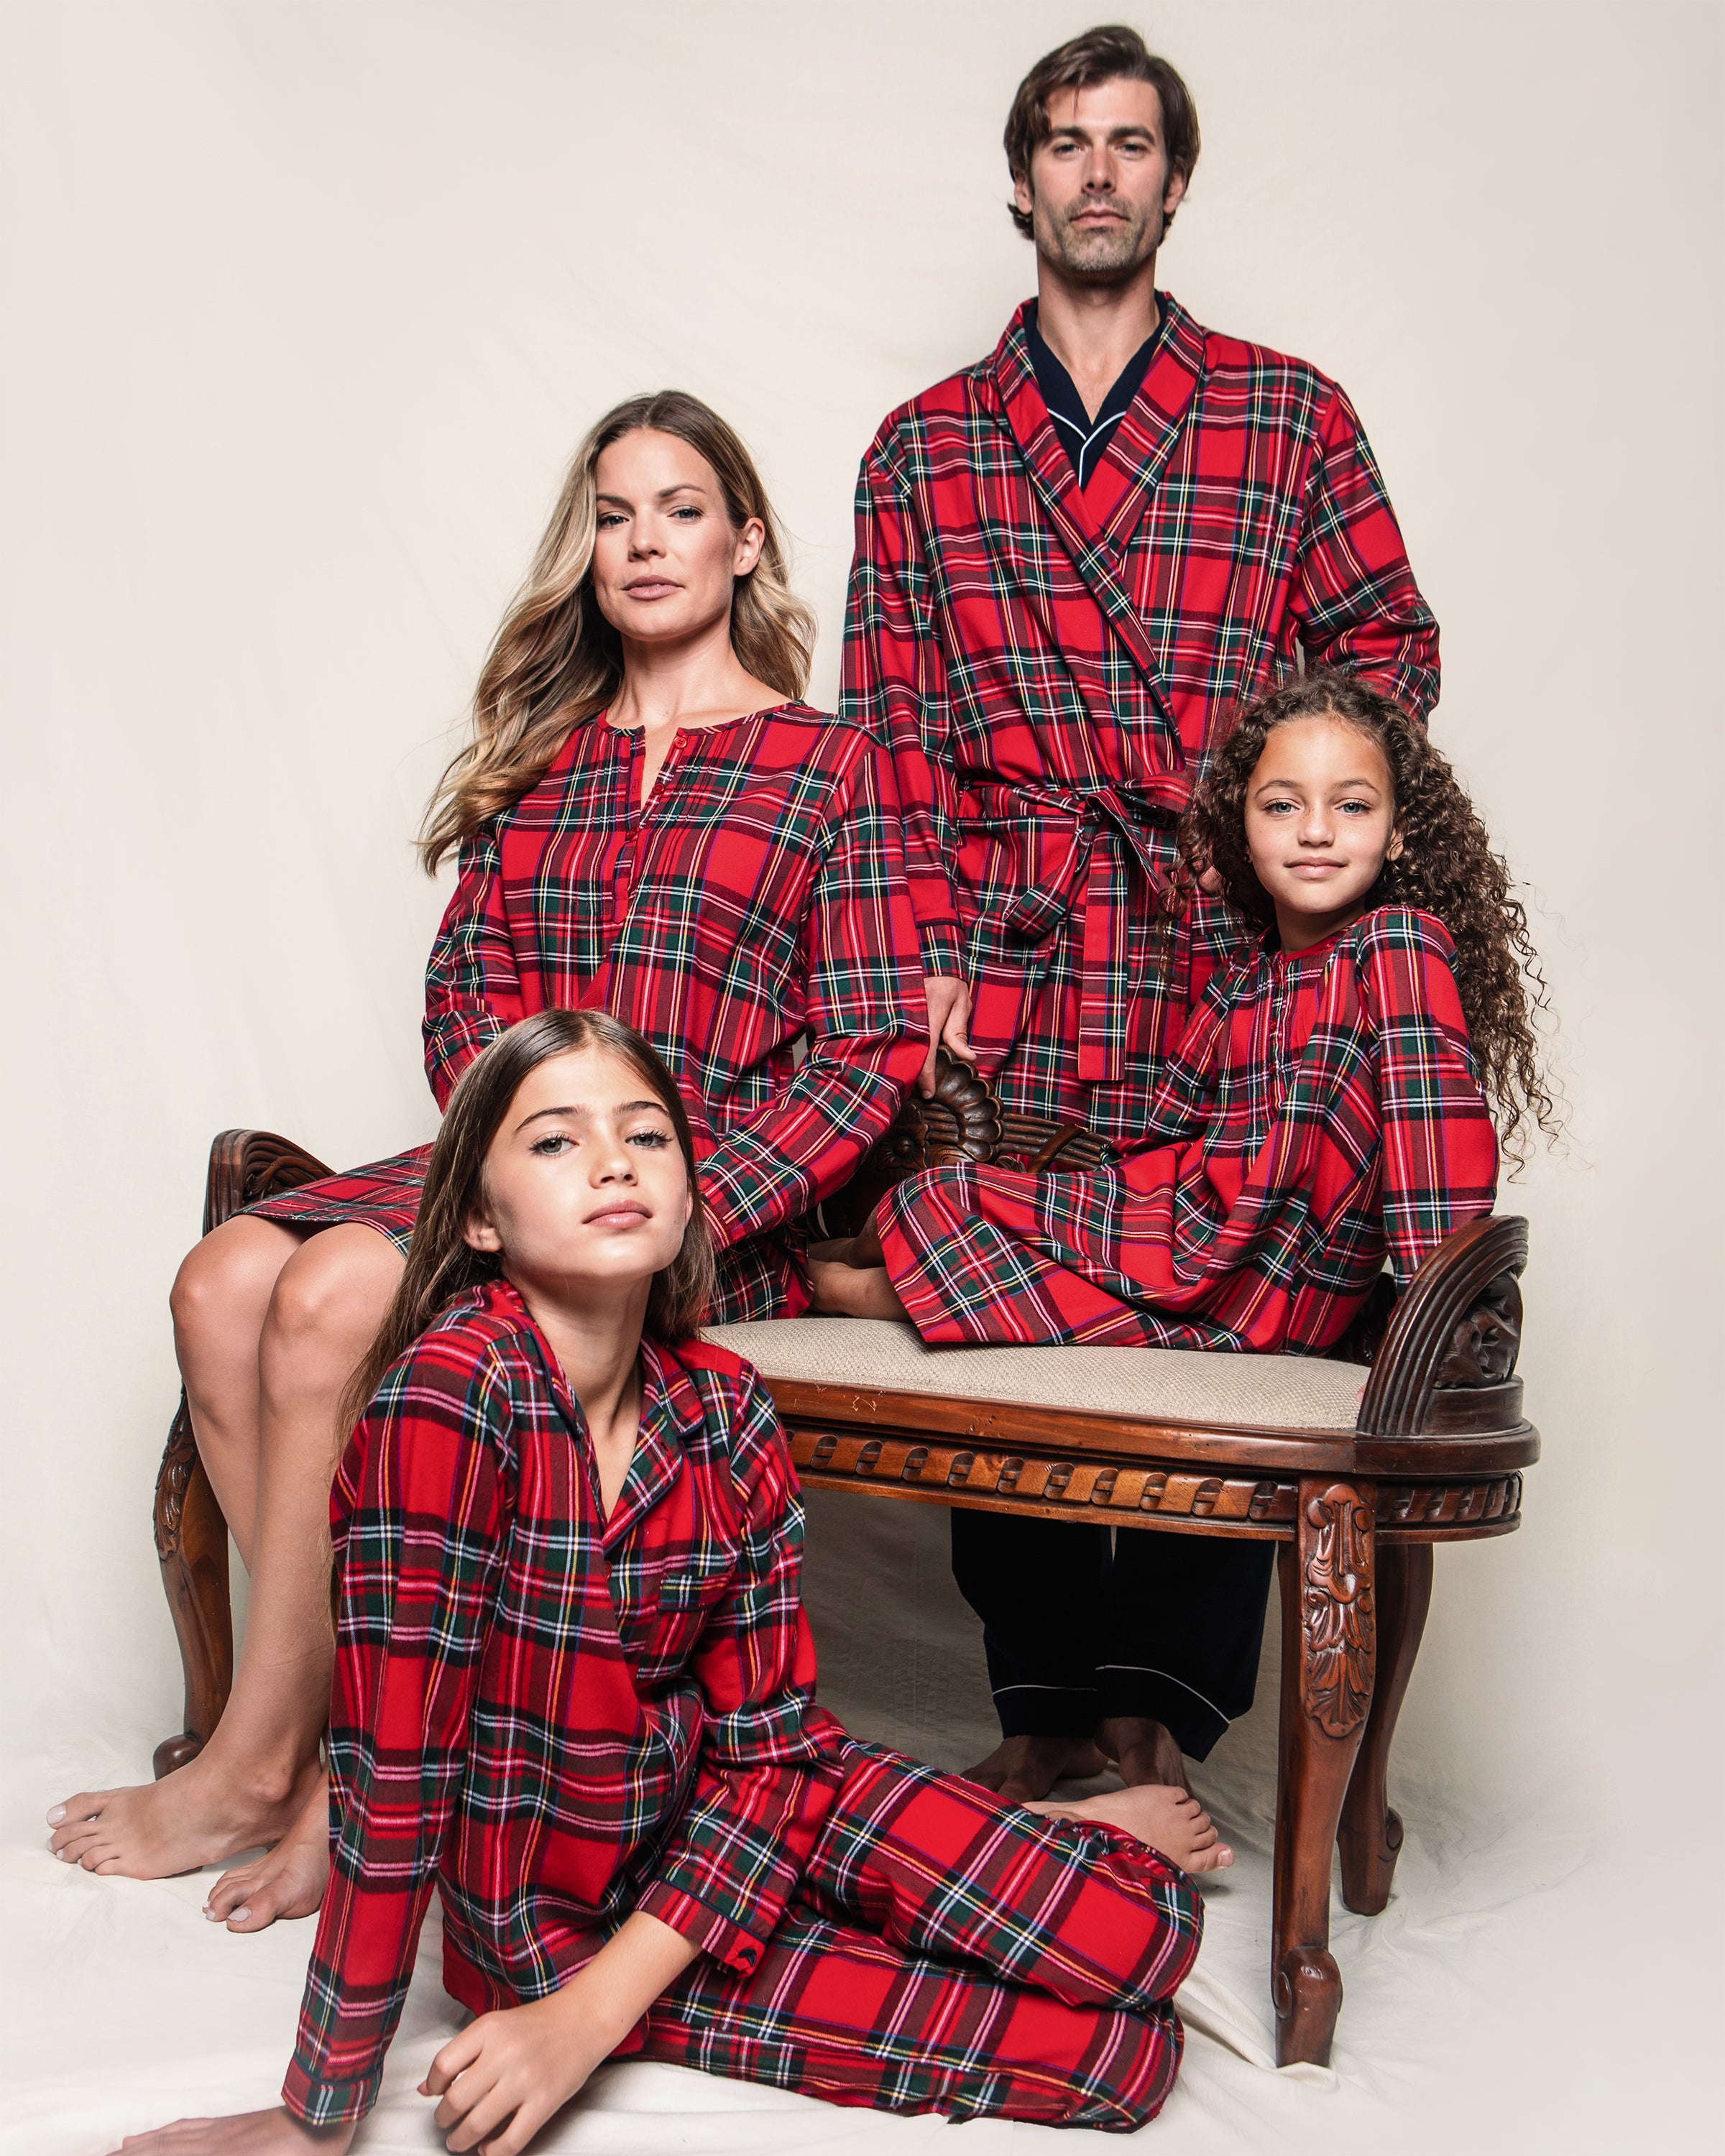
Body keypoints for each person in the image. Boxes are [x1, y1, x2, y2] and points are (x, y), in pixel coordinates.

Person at [48, 392, 928, 1910]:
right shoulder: (546, 763)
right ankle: (348, 1737)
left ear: (747, 538)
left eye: (680, 507)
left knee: (325, 1301)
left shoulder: (829, 766)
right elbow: (466, 994)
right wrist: (510, 1165)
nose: (643, 541)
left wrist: (683, 1194)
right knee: (221, 1278)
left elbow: (869, 1058)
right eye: (612, 514)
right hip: (508, 1171)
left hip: (693, 1196)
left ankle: (283, 1771)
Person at [109, 1008, 1232, 2156]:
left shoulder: (726, 1407)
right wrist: (328, 2112)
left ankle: (1004, 1851)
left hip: (752, 1815)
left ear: (691, 1190)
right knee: (1121, 2061)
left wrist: (628, 1992)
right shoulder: (447, 1400)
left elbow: (770, 1757)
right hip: (568, 1930)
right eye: (554, 1142)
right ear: (481, 1219)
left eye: (646, 1137)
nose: (611, 1163)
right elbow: (393, 1778)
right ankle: (963, 1872)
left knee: (1145, 1934)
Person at [839, 24, 1441, 1800]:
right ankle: (1033, 1701)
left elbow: (1387, 655)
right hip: (1020, 949)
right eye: (1061, 142)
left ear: (1172, 184)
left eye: (1126, 144)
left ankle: (1152, 1716)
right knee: (994, 1296)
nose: (1094, 172)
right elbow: (884, 736)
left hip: (1223, 942)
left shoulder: (1286, 412)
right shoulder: (919, 446)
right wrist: (930, 944)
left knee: (1233, 1298)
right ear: (1016, 180)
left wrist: (1274, 812)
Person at [811, 673, 1558, 1358]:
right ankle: (835, 1255)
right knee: (937, 1195)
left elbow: (1437, 1145)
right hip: (1183, 1245)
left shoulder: (1394, 946)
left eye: (1352, 805)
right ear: (1244, 824)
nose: (1317, 831)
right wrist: (1065, 1205)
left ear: (1396, 832)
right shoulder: (1246, 980)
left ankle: (824, 1285)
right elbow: (1159, 1140)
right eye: (1282, 805)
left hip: (1267, 1289)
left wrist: (1436, 1311)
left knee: (943, 1233)